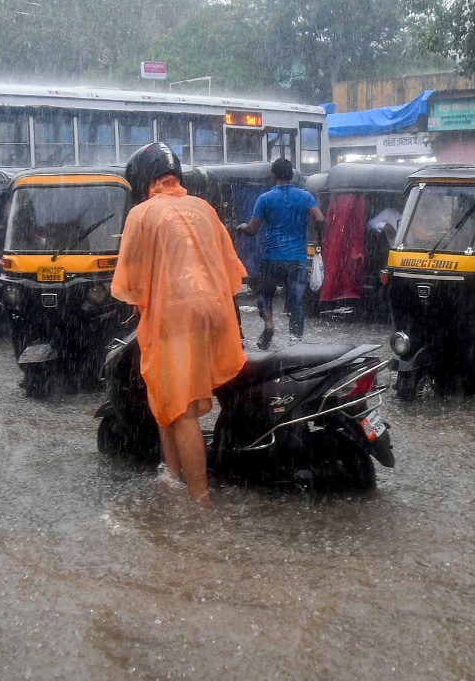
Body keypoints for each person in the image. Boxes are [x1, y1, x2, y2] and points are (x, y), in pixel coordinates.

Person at [111, 143, 247, 502]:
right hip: (215, 311)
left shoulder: (142, 214)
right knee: (164, 394)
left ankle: (198, 500)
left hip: (176, 315)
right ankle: (171, 476)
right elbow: (230, 265)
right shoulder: (203, 208)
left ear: (143, 179)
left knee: (182, 408)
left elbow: (133, 281)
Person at [236, 157, 324, 349]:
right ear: (292, 176)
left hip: (272, 257)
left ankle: (269, 325)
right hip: (297, 260)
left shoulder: (265, 199)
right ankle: (295, 343)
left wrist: (242, 227)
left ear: (273, 176)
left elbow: (252, 230)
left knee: (264, 295)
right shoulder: (305, 196)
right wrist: (318, 238)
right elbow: (320, 218)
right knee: (296, 302)